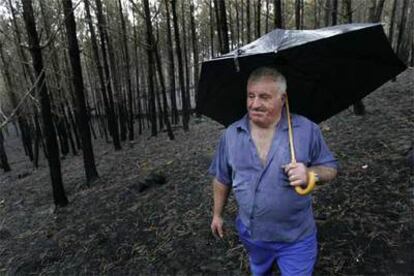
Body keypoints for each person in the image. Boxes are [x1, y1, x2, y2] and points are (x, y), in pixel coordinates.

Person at [209, 67, 338, 276]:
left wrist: (310, 175)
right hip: (252, 235)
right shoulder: (231, 135)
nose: (255, 104)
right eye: (251, 96)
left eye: (264, 97)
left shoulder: (306, 130)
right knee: (259, 269)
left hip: (296, 238)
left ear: (283, 98)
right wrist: (217, 215)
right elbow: (222, 179)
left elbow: (330, 168)